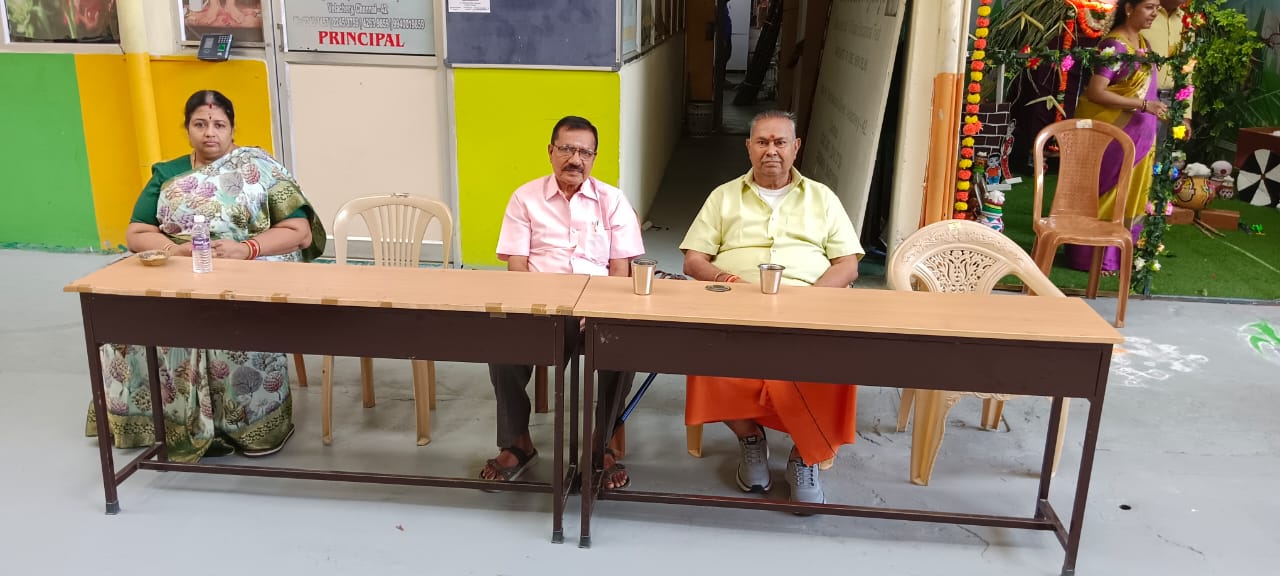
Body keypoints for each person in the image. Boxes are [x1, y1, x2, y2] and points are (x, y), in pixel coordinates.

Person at [86, 89, 326, 462]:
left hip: (248, 265)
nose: (209, 132)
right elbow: (137, 232)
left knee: (237, 324)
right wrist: (177, 251)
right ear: (187, 128)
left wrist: (246, 249)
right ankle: (164, 424)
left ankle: (248, 427)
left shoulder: (260, 169)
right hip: (182, 267)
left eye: (218, 124)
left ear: (232, 129)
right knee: (131, 321)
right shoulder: (167, 173)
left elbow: (300, 232)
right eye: (200, 124)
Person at [680, 110, 864, 505]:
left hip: (809, 303)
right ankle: (750, 438)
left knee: (836, 359)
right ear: (748, 147)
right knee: (705, 350)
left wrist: (811, 298)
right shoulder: (723, 196)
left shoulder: (823, 198)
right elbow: (694, 260)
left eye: (780, 142)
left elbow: (848, 265)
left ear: (796, 147)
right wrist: (730, 282)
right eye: (762, 142)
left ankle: (805, 454)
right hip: (737, 302)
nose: (771, 151)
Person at [480, 116, 645, 490]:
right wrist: (534, 310)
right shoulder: (525, 198)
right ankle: (517, 443)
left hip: (595, 310)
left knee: (625, 347)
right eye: (567, 149)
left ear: (594, 157)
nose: (575, 159)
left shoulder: (613, 201)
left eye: (585, 152)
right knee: (500, 343)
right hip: (541, 308)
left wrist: (598, 311)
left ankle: (601, 445)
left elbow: (620, 271)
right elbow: (518, 267)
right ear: (550, 151)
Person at [1065, 0, 1166, 273]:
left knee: (1132, 192)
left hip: (1141, 136)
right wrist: (1143, 105)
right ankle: (1091, 256)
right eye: (1149, 7)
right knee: (1108, 191)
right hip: (1115, 136)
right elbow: (1096, 92)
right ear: (1130, 8)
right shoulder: (1115, 46)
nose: (1154, 13)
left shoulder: (1143, 44)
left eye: (1157, 7)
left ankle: (1117, 255)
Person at [1141, 0, 1193, 148]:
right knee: (1136, 155)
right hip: (1141, 101)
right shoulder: (1144, 15)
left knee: (1162, 156)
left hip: (1171, 103)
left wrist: (1185, 115)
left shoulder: (1187, 23)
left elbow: (1188, 72)